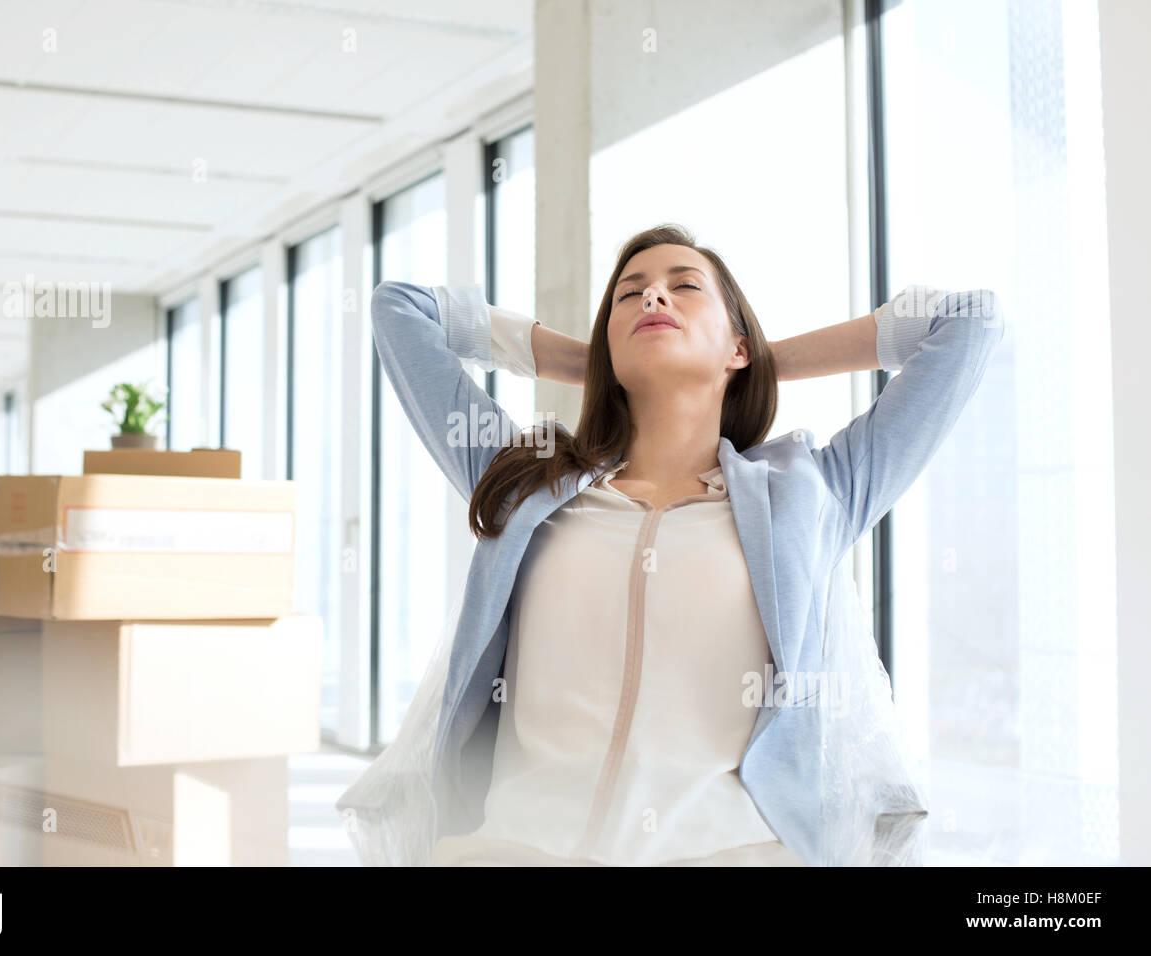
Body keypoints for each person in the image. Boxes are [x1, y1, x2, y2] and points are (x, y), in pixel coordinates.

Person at [336, 222, 1004, 866]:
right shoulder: (527, 480)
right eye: (629, 294)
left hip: (733, 853)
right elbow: (401, 309)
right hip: (515, 847)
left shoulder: (809, 496)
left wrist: (757, 360)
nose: (653, 296)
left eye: (685, 286)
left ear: (739, 345)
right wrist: (592, 361)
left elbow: (968, 321)